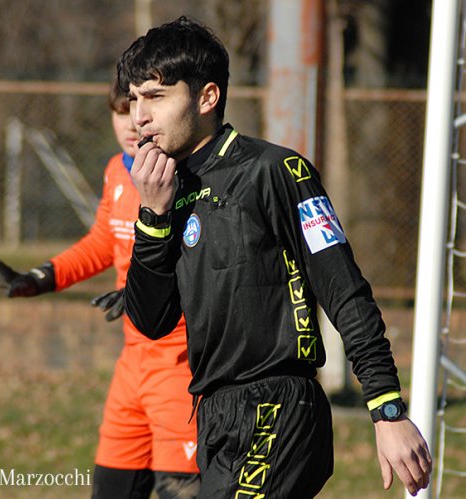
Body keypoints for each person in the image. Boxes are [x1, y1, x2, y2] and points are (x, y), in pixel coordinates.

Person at [117, 16, 432, 499]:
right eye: (135, 99)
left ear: (206, 98)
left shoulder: (275, 171)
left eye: (156, 98)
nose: (139, 116)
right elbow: (151, 320)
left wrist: (387, 408)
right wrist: (153, 218)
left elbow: (344, 289)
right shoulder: (166, 195)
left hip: (279, 405)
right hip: (214, 417)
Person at [0, 80, 200, 499]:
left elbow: (206, 263)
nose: (132, 122)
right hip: (132, 364)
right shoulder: (116, 170)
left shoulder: (183, 176)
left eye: (142, 107)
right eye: (120, 110)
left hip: (181, 363)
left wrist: (143, 292)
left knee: (180, 489)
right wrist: (37, 279)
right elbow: (101, 242)